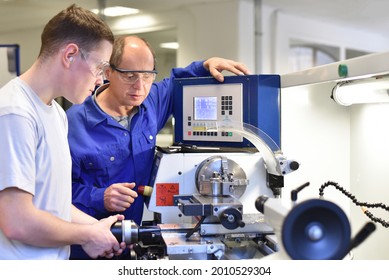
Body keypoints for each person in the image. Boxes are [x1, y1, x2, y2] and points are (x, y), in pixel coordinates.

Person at [66, 35, 251, 259]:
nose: (140, 87)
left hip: (131, 240)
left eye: (147, 76)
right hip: (88, 246)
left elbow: (175, 83)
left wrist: (205, 65)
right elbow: (53, 195)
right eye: (130, 76)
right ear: (108, 72)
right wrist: (99, 196)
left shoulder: (150, 102)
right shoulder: (73, 123)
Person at [0, 4, 126, 260]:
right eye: (101, 68)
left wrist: (97, 228)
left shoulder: (57, 114)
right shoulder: (15, 113)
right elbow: (17, 221)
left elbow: (54, 205)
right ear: (70, 55)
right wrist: (87, 236)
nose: (102, 80)